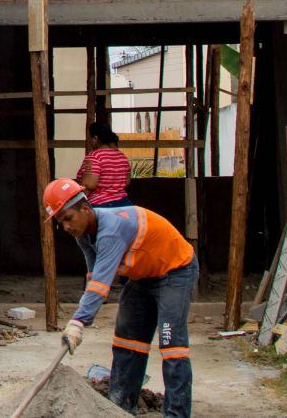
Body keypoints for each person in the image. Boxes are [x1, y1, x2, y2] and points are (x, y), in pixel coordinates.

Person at [44, 178, 197, 418]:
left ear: (85, 209)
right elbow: (95, 275)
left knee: (172, 345)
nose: (65, 227)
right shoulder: (83, 234)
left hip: (174, 272)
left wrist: (78, 321)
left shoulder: (111, 230)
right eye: (60, 222)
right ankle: (119, 410)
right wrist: (86, 315)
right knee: (127, 339)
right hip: (143, 277)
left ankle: (177, 414)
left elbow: (101, 284)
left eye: (67, 218)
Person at [76, 122, 133, 208]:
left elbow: (89, 185)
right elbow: (127, 182)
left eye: (89, 138)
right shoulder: (122, 156)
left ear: (95, 138)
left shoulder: (94, 157)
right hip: (124, 204)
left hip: (101, 206)